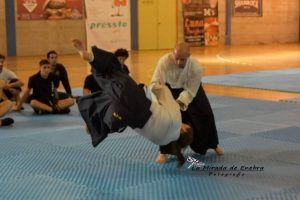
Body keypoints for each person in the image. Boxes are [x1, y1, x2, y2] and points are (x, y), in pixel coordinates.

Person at [72, 39, 193, 167]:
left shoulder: (176, 122)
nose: (184, 123)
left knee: (114, 69)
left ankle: (90, 57)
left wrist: (160, 87)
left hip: (135, 100)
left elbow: (165, 95)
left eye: (186, 124)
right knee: (107, 102)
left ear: (185, 129)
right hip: (122, 116)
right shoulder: (161, 141)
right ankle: (97, 123)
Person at [150, 42, 224, 164]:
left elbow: (190, 90)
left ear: (189, 56)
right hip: (169, 90)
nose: (179, 62)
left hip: (191, 90)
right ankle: (163, 151)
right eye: (176, 59)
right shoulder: (164, 62)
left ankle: (212, 145)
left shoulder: (196, 67)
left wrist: (179, 103)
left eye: (182, 59)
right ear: (172, 54)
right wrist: (161, 103)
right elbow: (156, 84)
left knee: (206, 115)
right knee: (168, 120)